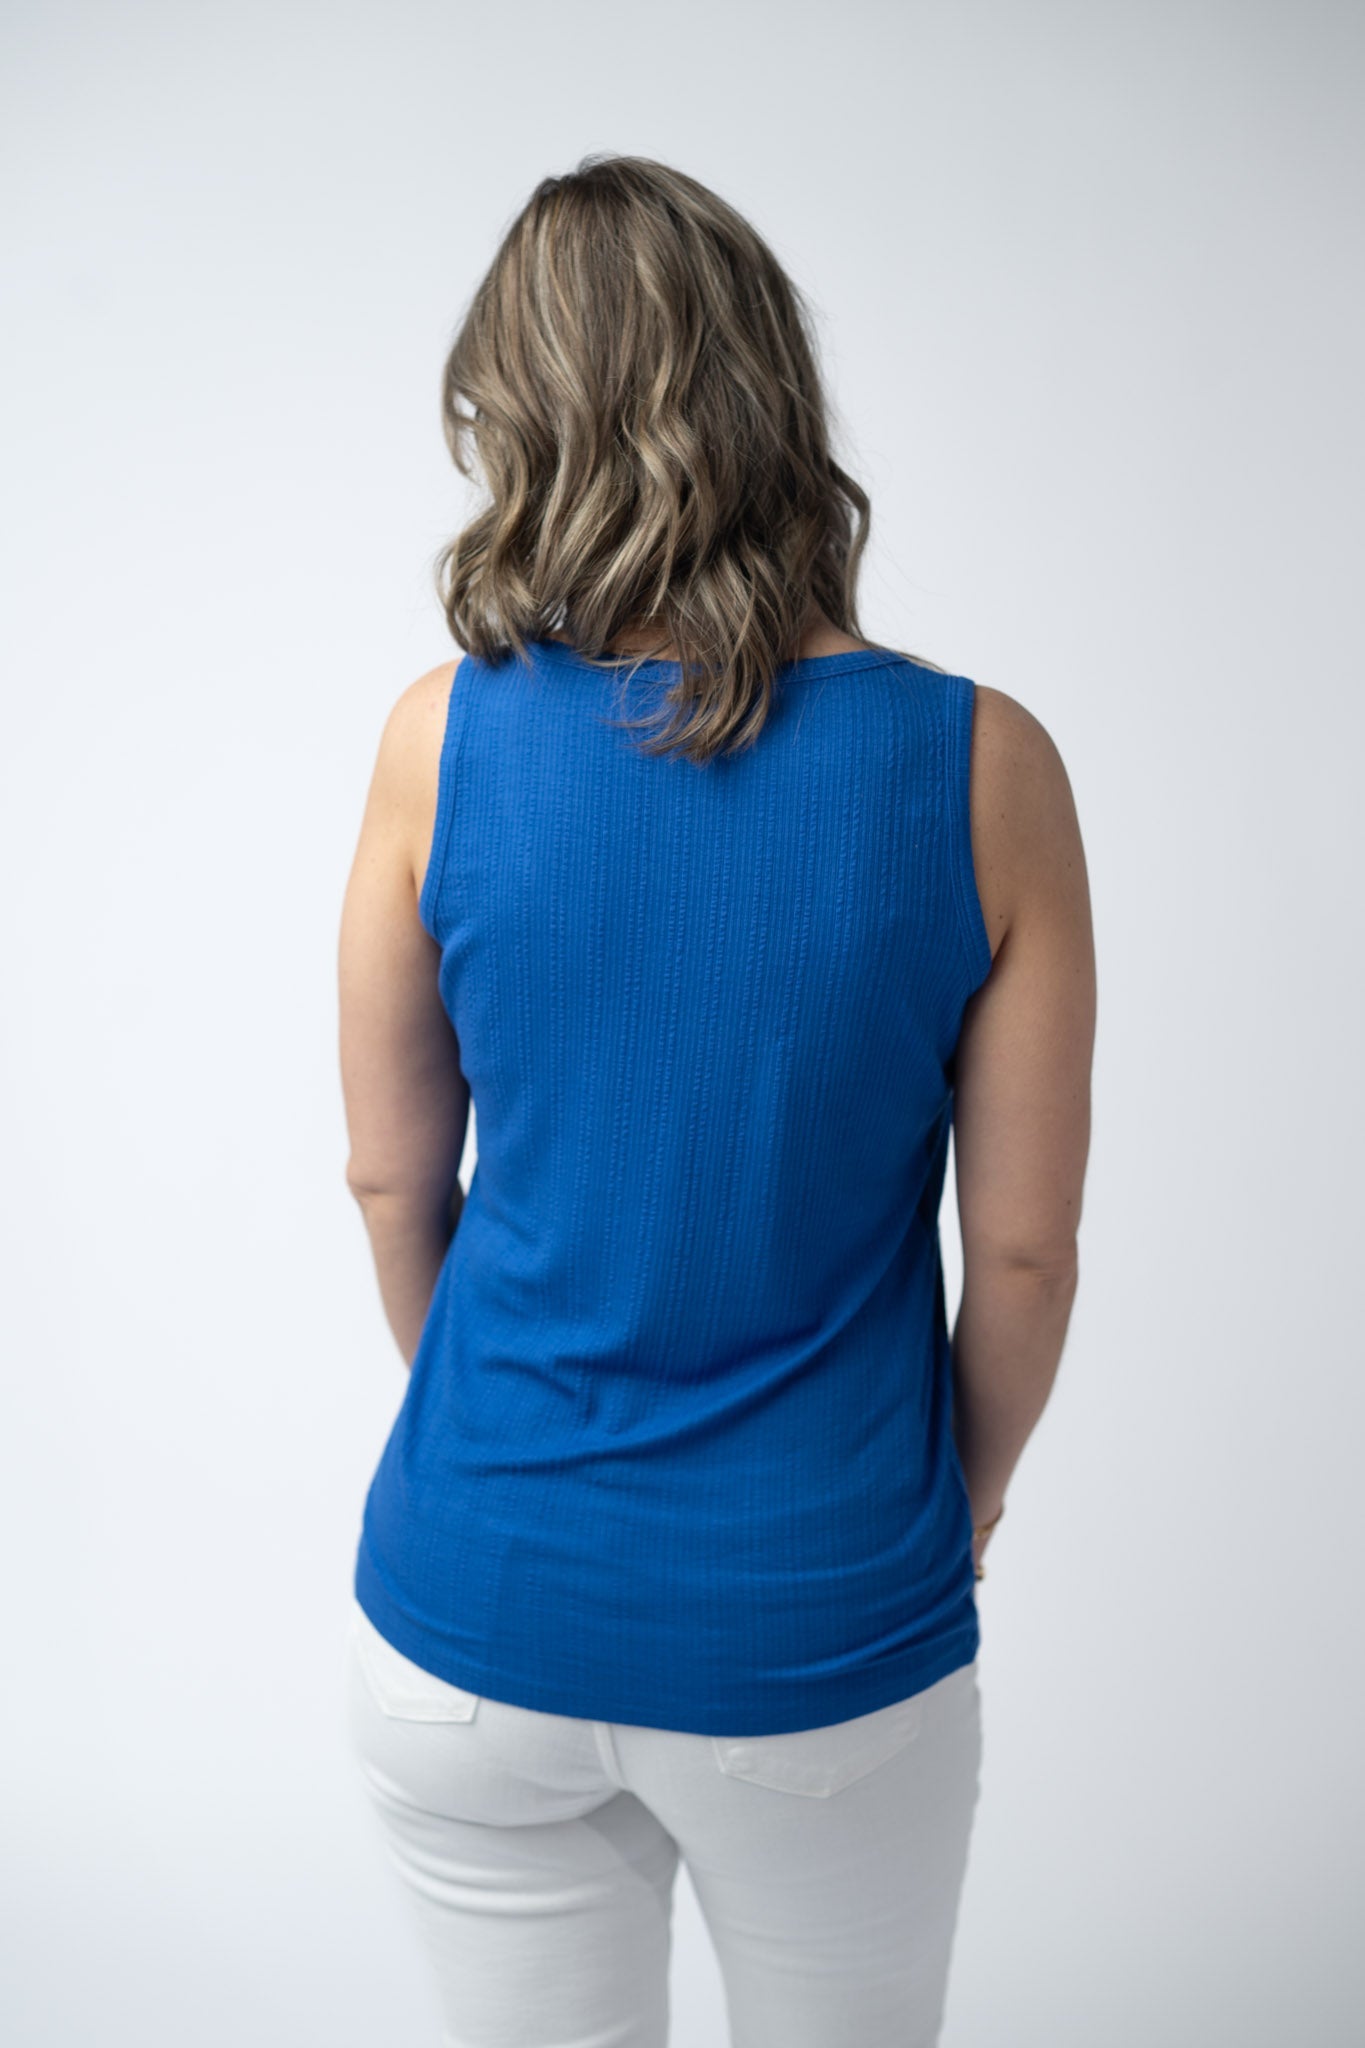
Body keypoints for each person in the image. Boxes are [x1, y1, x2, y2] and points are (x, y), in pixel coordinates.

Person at [337, 153, 1095, 2048]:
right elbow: (1021, 1253)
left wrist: (506, 1449)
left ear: (516, 411)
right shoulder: (981, 768)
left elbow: (389, 1182)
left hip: (472, 1607)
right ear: (773, 395)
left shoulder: (437, 741)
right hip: (822, 1615)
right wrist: (956, 1504)